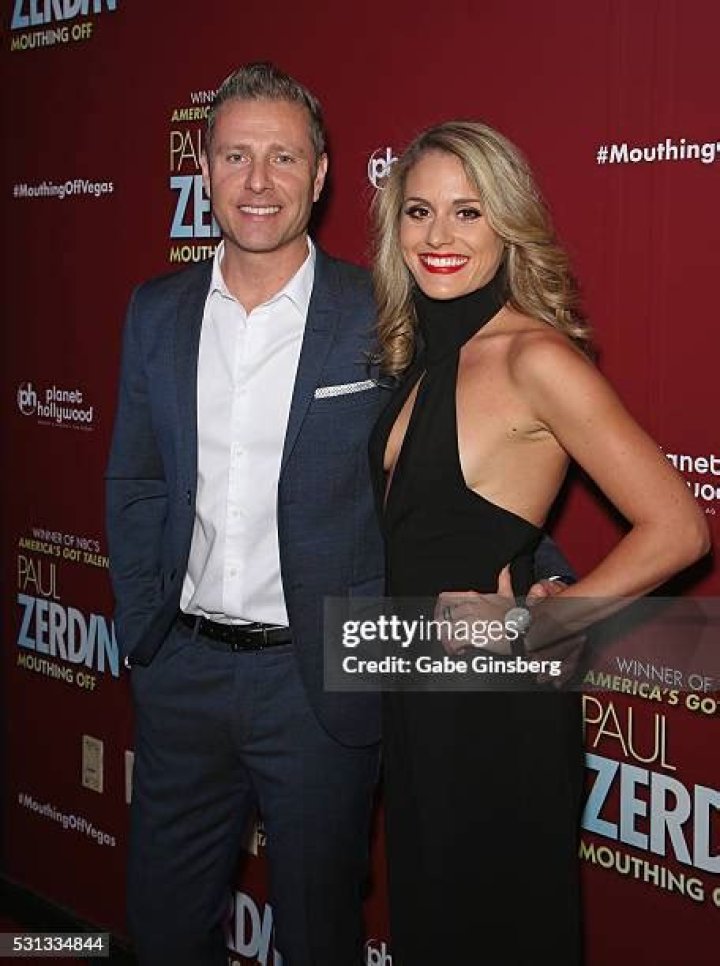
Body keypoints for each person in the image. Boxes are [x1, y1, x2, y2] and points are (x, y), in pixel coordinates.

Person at [106, 65, 573, 965]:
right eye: (236, 156)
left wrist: (538, 569)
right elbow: (136, 482)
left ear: (320, 174)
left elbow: (452, 460)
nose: (258, 181)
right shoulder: (155, 313)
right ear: (202, 167)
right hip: (181, 676)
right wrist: (143, 636)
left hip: (321, 683)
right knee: (162, 928)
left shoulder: (383, 314)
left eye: (284, 157)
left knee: (320, 934)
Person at [369, 120, 709, 965]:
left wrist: (545, 622)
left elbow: (679, 526)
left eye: (468, 212)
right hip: (418, 693)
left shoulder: (534, 357)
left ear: (507, 223)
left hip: (492, 707)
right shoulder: (421, 351)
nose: (440, 236)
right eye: (419, 211)